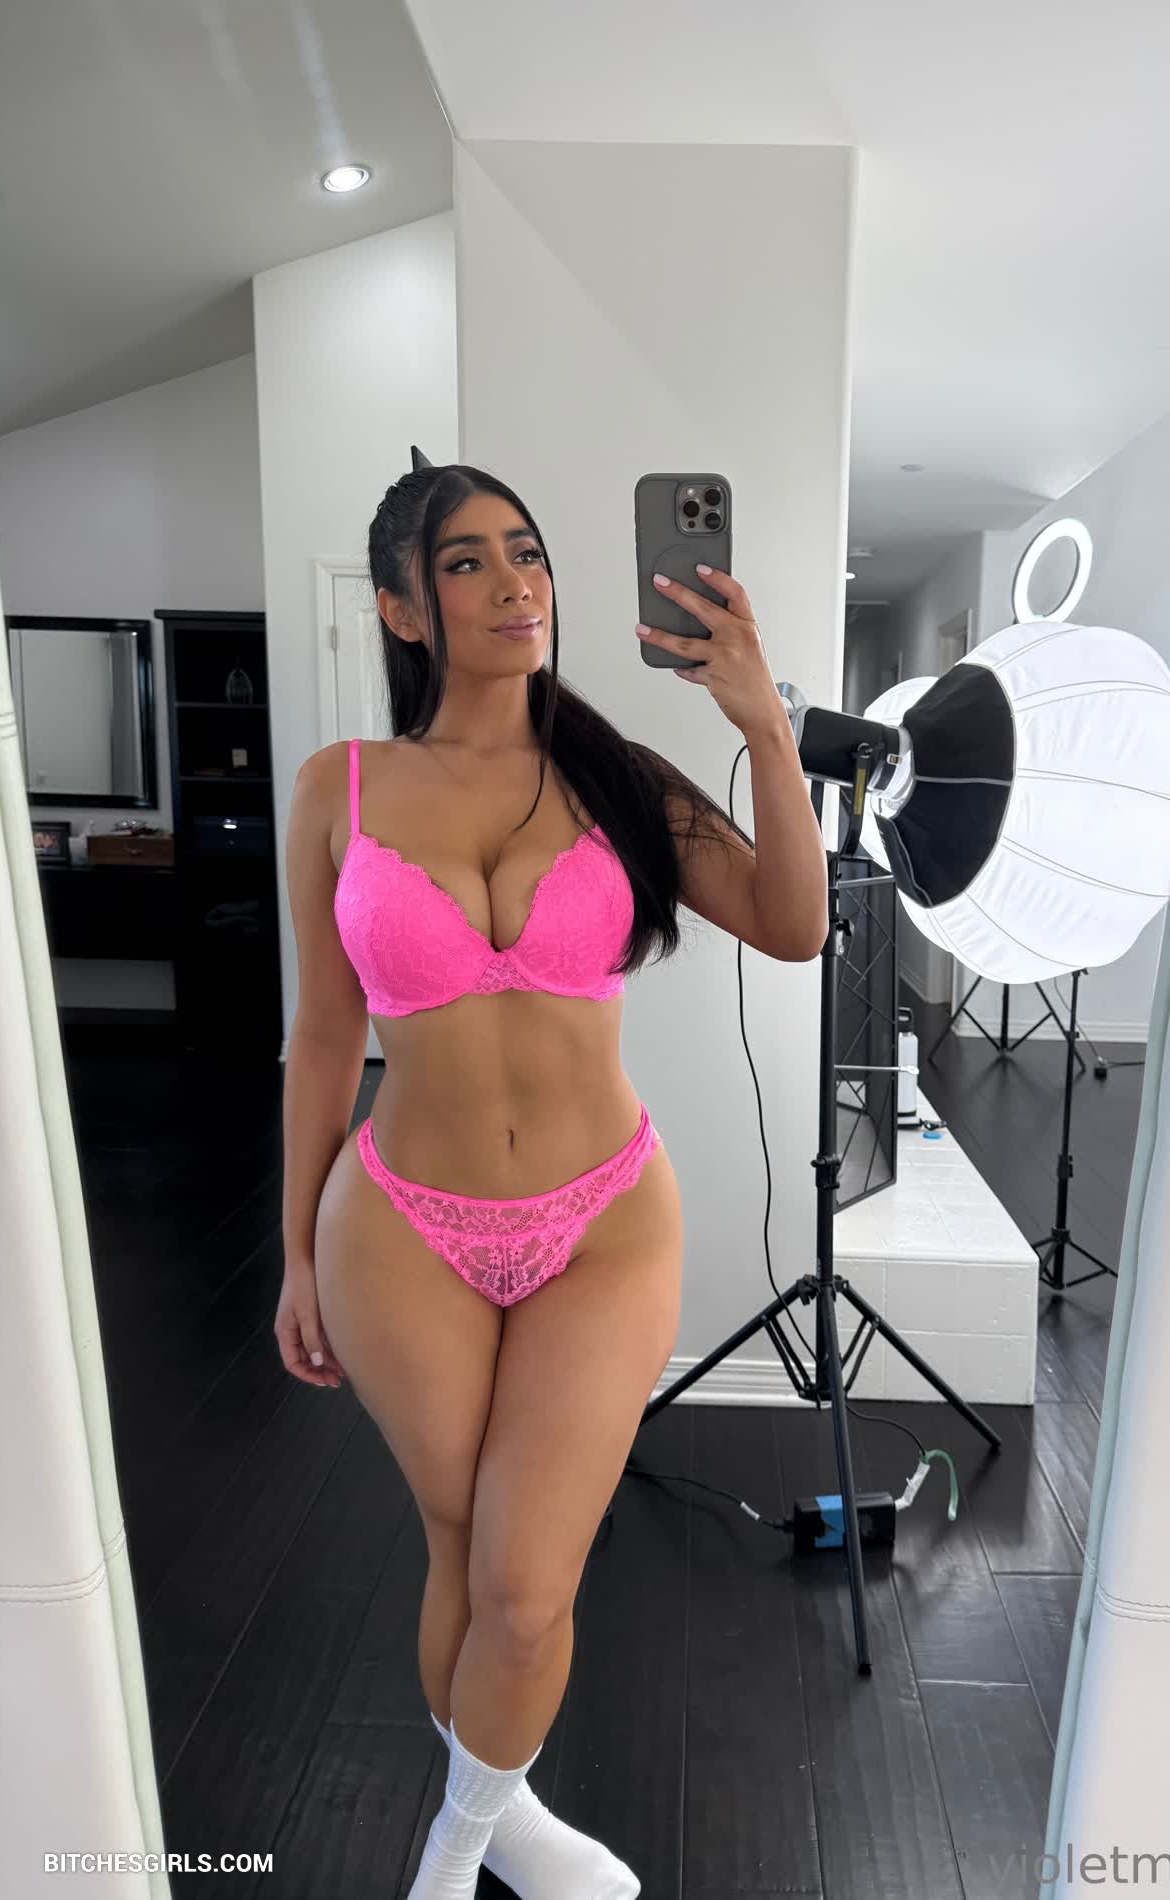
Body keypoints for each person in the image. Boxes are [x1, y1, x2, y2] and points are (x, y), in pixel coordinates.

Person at [274, 457, 828, 1897]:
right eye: (465, 562)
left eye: (525, 552)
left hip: (602, 1224)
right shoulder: (338, 789)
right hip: (401, 1226)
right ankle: (511, 1821)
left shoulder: (617, 779)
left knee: (525, 1589)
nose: (515, 583)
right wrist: (295, 1256)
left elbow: (793, 923)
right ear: (403, 609)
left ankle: (456, 1848)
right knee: (462, 1542)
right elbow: (325, 1034)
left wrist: (763, 725)